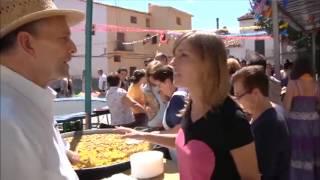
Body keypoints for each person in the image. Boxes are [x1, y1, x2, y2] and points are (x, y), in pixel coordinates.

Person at [115, 31, 260, 179]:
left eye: (183, 55)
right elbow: (186, 141)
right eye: (174, 55)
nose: (172, 63)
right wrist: (142, 135)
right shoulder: (191, 105)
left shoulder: (232, 119)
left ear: (209, 64)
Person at [0, 0, 84, 179]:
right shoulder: (6, 122)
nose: (73, 48)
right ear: (27, 43)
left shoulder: (26, 103)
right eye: (64, 38)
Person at [232, 66, 291, 180]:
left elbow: (262, 173)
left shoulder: (267, 126)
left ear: (255, 94)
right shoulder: (276, 111)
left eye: (239, 96)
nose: (238, 102)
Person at [283, 57, 320, 180]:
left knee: (299, 155)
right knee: (313, 153)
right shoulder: (316, 84)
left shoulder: (294, 83)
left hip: (297, 126)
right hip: (315, 124)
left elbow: (286, 107)